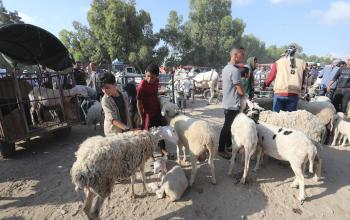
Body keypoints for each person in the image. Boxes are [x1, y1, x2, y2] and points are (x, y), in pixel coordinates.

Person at [137, 63, 173, 159]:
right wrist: (142, 117)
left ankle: (163, 149)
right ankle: (150, 154)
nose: (149, 79)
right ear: (145, 73)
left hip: (156, 110)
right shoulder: (141, 86)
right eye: (148, 76)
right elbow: (139, 103)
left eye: (152, 77)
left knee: (160, 130)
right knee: (148, 133)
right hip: (147, 113)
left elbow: (155, 94)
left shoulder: (156, 81)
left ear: (157, 76)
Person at [218, 47, 245, 159]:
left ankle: (228, 146)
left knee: (228, 126)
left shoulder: (226, 68)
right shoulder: (235, 70)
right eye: (241, 54)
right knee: (227, 126)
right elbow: (239, 89)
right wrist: (244, 94)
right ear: (235, 55)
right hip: (233, 104)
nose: (243, 57)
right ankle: (220, 149)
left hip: (227, 102)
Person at [263, 44, 306, 112]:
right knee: (290, 117)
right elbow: (303, 79)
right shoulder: (302, 63)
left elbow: (271, 77)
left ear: (286, 52)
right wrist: (302, 89)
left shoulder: (278, 62)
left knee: (276, 116)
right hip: (294, 93)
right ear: (295, 53)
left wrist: (265, 84)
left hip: (280, 92)